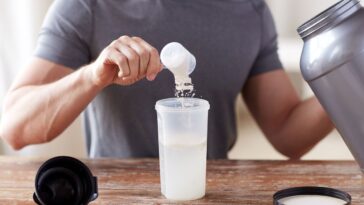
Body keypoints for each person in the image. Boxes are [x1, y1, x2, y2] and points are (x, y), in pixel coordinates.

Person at [0, 0, 333, 159]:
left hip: (211, 192)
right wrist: (93, 75)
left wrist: (349, 81)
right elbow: (14, 127)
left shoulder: (249, 11)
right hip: (117, 195)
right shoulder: (88, 6)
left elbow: (288, 132)